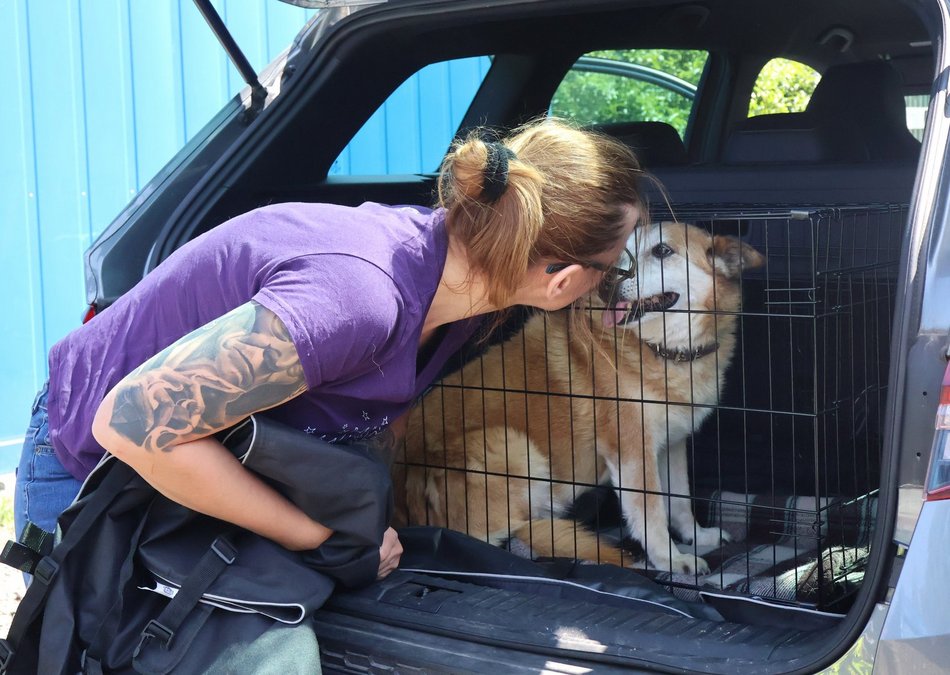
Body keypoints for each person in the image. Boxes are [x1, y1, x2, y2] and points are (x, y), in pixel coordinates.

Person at [14, 117, 645, 581]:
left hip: (194, 462)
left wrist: (364, 523)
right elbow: (132, 423)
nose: (613, 282)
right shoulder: (357, 299)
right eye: (613, 267)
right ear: (562, 279)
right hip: (90, 468)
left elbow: (376, 418)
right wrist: (316, 538)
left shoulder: (459, 288)